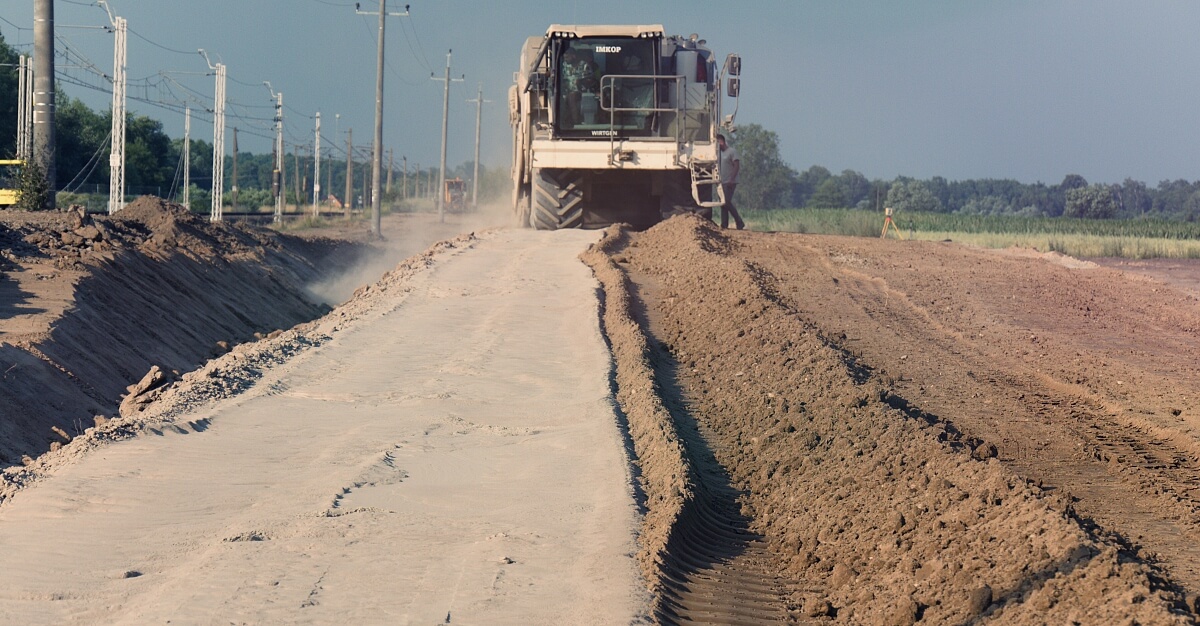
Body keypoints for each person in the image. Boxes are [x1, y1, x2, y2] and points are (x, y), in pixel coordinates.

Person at [717, 133, 745, 229]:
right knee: (723, 203)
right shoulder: (720, 154)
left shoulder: (732, 152)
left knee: (726, 201)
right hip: (722, 182)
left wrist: (731, 179)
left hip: (730, 181)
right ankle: (724, 224)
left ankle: (739, 221)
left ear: (721, 141)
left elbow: (736, 165)